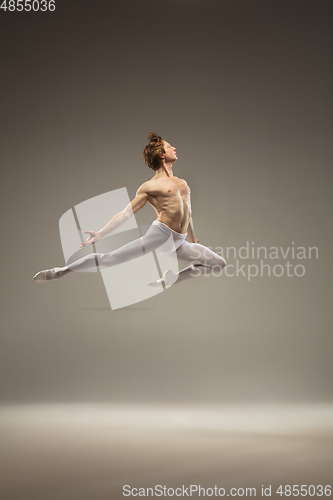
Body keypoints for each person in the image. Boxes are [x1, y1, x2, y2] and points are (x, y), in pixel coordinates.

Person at [33, 133, 226, 289]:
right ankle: (61, 271)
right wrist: (101, 233)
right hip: (161, 235)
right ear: (161, 155)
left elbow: (187, 212)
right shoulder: (150, 186)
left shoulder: (183, 183)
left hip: (179, 241)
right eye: (169, 146)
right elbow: (126, 213)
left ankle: (170, 280)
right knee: (110, 259)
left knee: (218, 265)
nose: (174, 148)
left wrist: (192, 238)